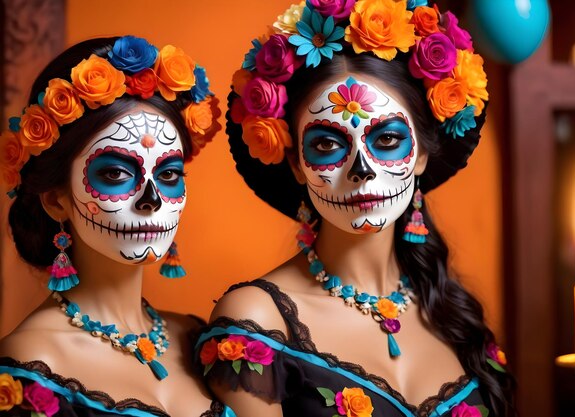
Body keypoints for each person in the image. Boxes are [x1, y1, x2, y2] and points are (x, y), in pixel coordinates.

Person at [195, 1, 515, 416]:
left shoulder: (452, 311)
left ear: (421, 155)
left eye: (386, 140)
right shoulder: (256, 321)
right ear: (295, 163)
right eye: (327, 145)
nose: (361, 170)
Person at [0, 35, 222, 416]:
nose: (151, 199)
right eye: (117, 172)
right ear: (56, 200)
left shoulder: (195, 335)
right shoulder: (28, 365)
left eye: (169, 174)